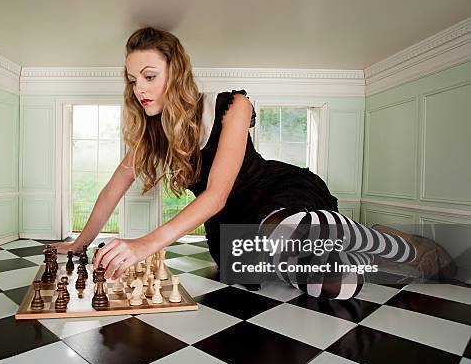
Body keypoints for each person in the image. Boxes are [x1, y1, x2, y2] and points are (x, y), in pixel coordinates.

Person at [54, 26, 444, 300]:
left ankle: (406, 248)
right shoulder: (151, 133)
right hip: (227, 227)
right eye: (133, 79)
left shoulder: (231, 105)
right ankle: (362, 242)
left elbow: (217, 193)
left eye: (150, 75)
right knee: (334, 285)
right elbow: (111, 189)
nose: (140, 88)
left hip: (277, 194)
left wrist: (146, 244)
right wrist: (78, 243)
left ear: (176, 72)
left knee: (284, 229)